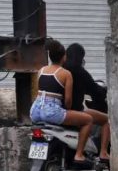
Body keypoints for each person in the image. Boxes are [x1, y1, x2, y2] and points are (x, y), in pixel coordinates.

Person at [30, 39, 94, 167]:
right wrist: (68, 109)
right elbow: (68, 100)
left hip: (35, 111)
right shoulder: (65, 74)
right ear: (63, 56)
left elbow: (39, 92)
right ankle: (79, 155)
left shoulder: (41, 70)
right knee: (88, 120)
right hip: (52, 111)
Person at [65, 43, 110, 163]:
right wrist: (104, 91)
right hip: (75, 111)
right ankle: (103, 153)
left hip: (59, 110)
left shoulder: (60, 69)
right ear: (81, 58)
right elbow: (94, 90)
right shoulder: (80, 72)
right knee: (107, 120)